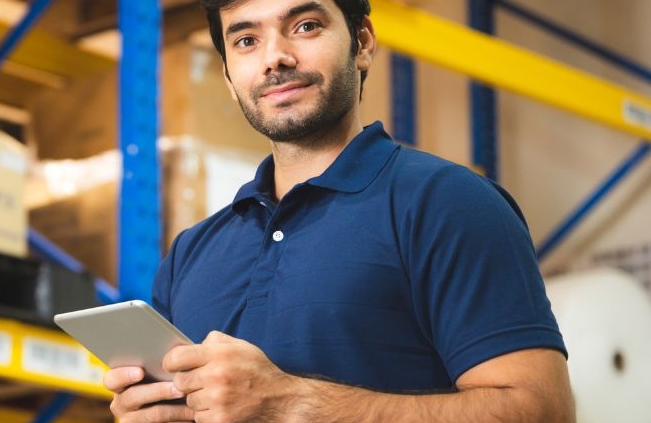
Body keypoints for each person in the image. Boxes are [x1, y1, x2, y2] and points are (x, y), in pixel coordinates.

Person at [103, 0, 574, 421]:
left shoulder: (448, 202)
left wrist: (292, 402)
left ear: (362, 43)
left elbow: (541, 412)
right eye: (246, 40)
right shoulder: (191, 252)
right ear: (228, 77)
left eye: (305, 26)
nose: (275, 58)